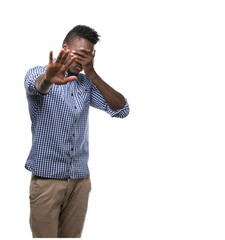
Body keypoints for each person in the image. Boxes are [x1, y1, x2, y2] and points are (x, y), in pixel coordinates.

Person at [24, 25, 130, 238]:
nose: (82, 61)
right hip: (47, 181)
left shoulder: (86, 84)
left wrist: (92, 74)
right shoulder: (38, 73)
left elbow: (122, 109)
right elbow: (38, 87)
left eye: (88, 56)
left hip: (80, 182)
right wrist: (48, 79)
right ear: (64, 47)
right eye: (79, 54)